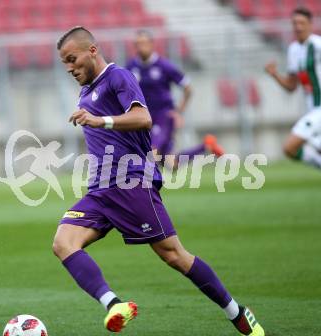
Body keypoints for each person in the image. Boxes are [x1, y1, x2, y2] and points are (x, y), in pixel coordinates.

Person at [53, 26, 264, 336]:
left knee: (174, 256)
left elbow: (143, 118)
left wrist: (102, 120)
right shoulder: (86, 92)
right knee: (63, 242)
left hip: (132, 185)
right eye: (64, 63)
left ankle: (238, 313)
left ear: (93, 51)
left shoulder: (118, 77)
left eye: (72, 59)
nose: (69, 68)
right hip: (100, 191)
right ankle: (114, 305)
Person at [126, 30, 224, 169]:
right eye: (138, 44)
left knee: (151, 153)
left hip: (163, 116)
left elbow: (188, 88)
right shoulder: (131, 67)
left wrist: (178, 112)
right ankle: (207, 146)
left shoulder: (164, 66)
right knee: (172, 165)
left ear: (151, 44)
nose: (141, 47)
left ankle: (140, 189)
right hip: (143, 117)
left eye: (144, 43)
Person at [265, 7, 321, 168]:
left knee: (289, 147)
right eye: (295, 23)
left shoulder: (318, 45)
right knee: (293, 150)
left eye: (302, 23)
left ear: (310, 24)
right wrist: (274, 74)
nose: (298, 27)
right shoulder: (294, 50)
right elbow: (291, 86)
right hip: (312, 109)